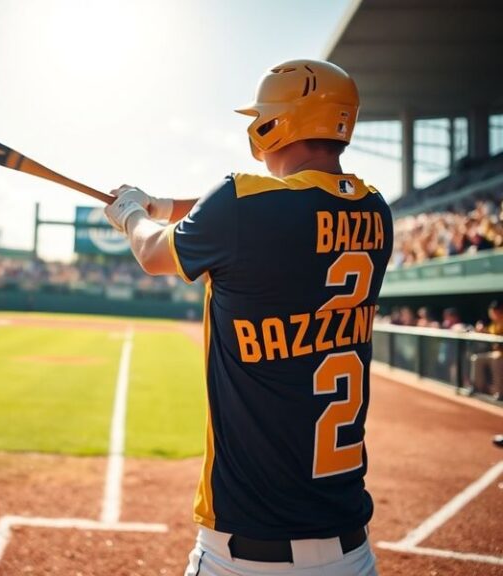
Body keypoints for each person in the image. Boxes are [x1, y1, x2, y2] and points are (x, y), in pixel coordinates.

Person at [105, 59, 393, 576]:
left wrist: (130, 213)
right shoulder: (375, 208)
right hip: (351, 553)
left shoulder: (240, 202)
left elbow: (153, 255)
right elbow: (267, 210)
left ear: (277, 122)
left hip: (245, 554)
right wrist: (160, 203)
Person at [469, 300, 503, 400]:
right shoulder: (493, 324)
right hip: (495, 353)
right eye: (492, 312)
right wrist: (481, 331)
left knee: (496, 359)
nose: (493, 314)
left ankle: (500, 392)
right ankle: (477, 387)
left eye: (496, 312)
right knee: (476, 358)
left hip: (500, 355)